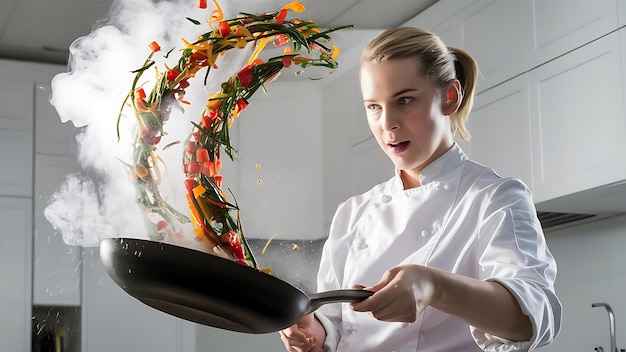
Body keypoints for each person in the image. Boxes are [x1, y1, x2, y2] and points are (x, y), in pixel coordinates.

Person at [279, 27, 562, 352]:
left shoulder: (494, 198)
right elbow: (335, 323)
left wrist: (433, 287)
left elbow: (535, 315)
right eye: (374, 106)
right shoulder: (353, 213)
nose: (387, 123)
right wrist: (311, 333)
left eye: (405, 100)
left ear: (449, 97)